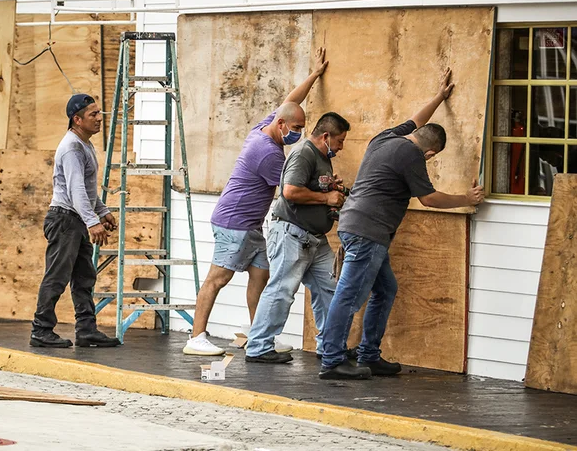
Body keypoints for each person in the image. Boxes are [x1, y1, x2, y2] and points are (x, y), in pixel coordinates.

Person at [318, 68, 484, 379]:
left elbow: (417, 120)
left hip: (360, 226)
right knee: (349, 295)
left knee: (386, 288)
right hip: (369, 231)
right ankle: (332, 360)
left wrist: (439, 97)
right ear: (430, 152)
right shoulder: (413, 156)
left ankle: (368, 354)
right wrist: (468, 198)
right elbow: (430, 199)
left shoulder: (387, 137)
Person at [183, 48, 331, 356]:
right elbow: (292, 190)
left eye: (302, 130)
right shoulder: (269, 154)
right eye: (296, 130)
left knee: (261, 274)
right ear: (281, 126)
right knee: (218, 278)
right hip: (234, 223)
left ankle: (259, 334)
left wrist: (315, 76)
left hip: (250, 226)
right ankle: (196, 337)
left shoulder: (263, 129)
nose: (299, 135)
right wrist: (327, 194)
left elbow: (291, 100)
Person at [245, 112, 351, 363]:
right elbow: (290, 191)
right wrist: (326, 198)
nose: (341, 146)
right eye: (340, 141)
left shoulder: (323, 157)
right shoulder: (305, 152)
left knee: (330, 289)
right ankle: (258, 347)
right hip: (293, 234)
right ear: (326, 136)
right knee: (282, 289)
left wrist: (328, 187)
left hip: (314, 237)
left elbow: (308, 186)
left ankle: (329, 346)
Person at [30, 94, 121, 349]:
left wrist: (101, 210)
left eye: (99, 112)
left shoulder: (85, 144)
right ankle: (41, 329)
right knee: (57, 276)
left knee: (84, 276)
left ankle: (86, 330)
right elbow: (75, 189)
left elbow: (87, 187)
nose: (99, 118)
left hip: (76, 219)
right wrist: (93, 222)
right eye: (93, 114)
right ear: (76, 119)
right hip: (65, 220)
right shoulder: (71, 147)